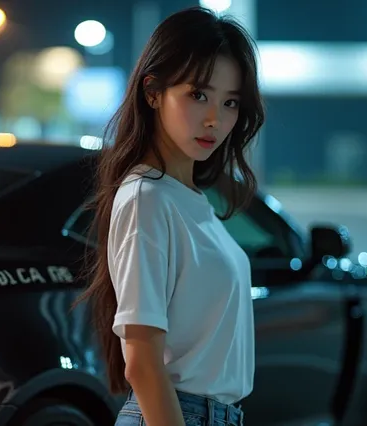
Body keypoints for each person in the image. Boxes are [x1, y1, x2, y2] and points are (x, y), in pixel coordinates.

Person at [74, 6, 265, 426]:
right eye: (198, 94)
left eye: (230, 102)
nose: (215, 119)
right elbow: (142, 363)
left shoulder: (189, 199)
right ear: (153, 92)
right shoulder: (148, 197)